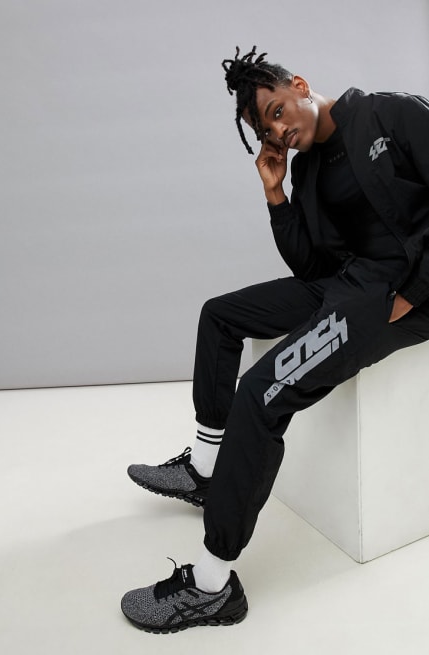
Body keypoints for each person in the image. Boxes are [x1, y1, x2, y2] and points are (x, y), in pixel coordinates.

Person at [120, 46, 429, 633]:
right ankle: (206, 469)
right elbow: (309, 267)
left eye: (279, 112)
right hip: (345, 282)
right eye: (267, 130)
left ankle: (212, 585)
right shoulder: (306, 168)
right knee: (219, 315)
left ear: (300, 85)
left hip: (395, 294)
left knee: (262, 393)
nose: (280, 131)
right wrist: (276, 194)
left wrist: (416, 291)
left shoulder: (390, 115)